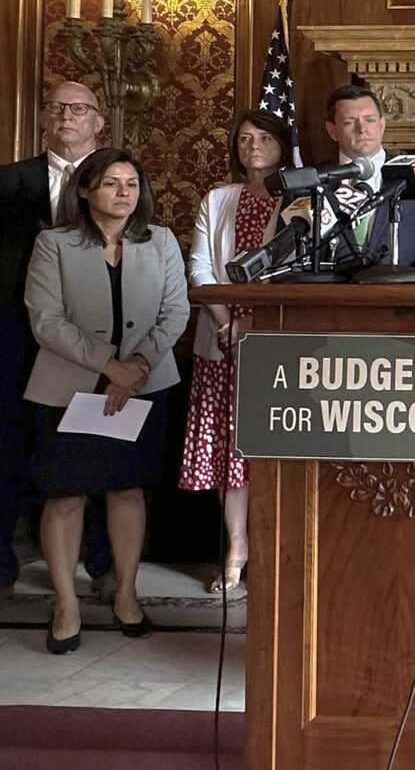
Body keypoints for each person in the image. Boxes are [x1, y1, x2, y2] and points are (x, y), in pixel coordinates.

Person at [24, 149, 190, 653]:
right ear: (84, 190)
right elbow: (45, 320)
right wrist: (108, 365)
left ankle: (126, 594)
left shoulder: (160, 241)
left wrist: (135, 367)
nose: (124, 192)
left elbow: (176, 309)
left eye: (132, 183)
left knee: (126, 490)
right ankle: (67, 604)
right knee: (67, 495)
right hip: (68, 386)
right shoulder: (53, 243)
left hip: (143, 385)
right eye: (111, 183)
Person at [0, 81, 114, 598]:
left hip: (98, 343)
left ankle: (101, 560)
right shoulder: (8, 182)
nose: (66, 115)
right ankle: (3, 563)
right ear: (45, 119)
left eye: (79, 108)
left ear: (99, 122)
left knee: (94, 450)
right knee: (7, 447)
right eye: (57, 107)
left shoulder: (121, 180)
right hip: (17, 341)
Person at [179, 110, 294, 593]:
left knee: (275, 447)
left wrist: (252, 325)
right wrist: (228, 324)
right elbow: (201, 266)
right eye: (245, 139)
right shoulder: (219, 199)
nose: (252, 146)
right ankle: (235, 550)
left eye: (264, 137)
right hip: (220, 341)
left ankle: (278, 547)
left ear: (282, 145)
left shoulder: (300, 198)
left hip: (275, 342)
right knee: (230, 452)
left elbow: (293, 269)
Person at [323, 83, 415, 268]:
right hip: (331, 294)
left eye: (370, 120)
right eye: (349, 122)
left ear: (382, 125)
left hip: (402, 292)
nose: (362, 129)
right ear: (332, 130)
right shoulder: (315, 185)